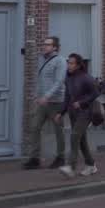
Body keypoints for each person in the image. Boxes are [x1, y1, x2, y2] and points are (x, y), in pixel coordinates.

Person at [22, 36, 66, 169]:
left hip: (56, 102)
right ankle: (35, 159)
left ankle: (61, 157)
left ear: (55, 47)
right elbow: (41, 81)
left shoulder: (60, 61)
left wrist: (47, 96)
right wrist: (38, 95)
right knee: (35, 127)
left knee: (59, 131)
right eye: (44, 44)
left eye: (48, 44)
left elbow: (59, 82)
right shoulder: (42, 60)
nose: (44, 46)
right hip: (43, 103)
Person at [57, 52, 100, 178]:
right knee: (81, 141)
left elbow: (96, 92)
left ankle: (71, 167)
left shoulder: (86, 78)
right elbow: (67, 97)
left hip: (85, 113)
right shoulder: (68, 78)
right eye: (68, 63)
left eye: (71, 63)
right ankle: (91, 165)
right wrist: (61, 112)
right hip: (73, 114)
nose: (68, 65)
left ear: (78, 65)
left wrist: (81, 103)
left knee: (75, 136)